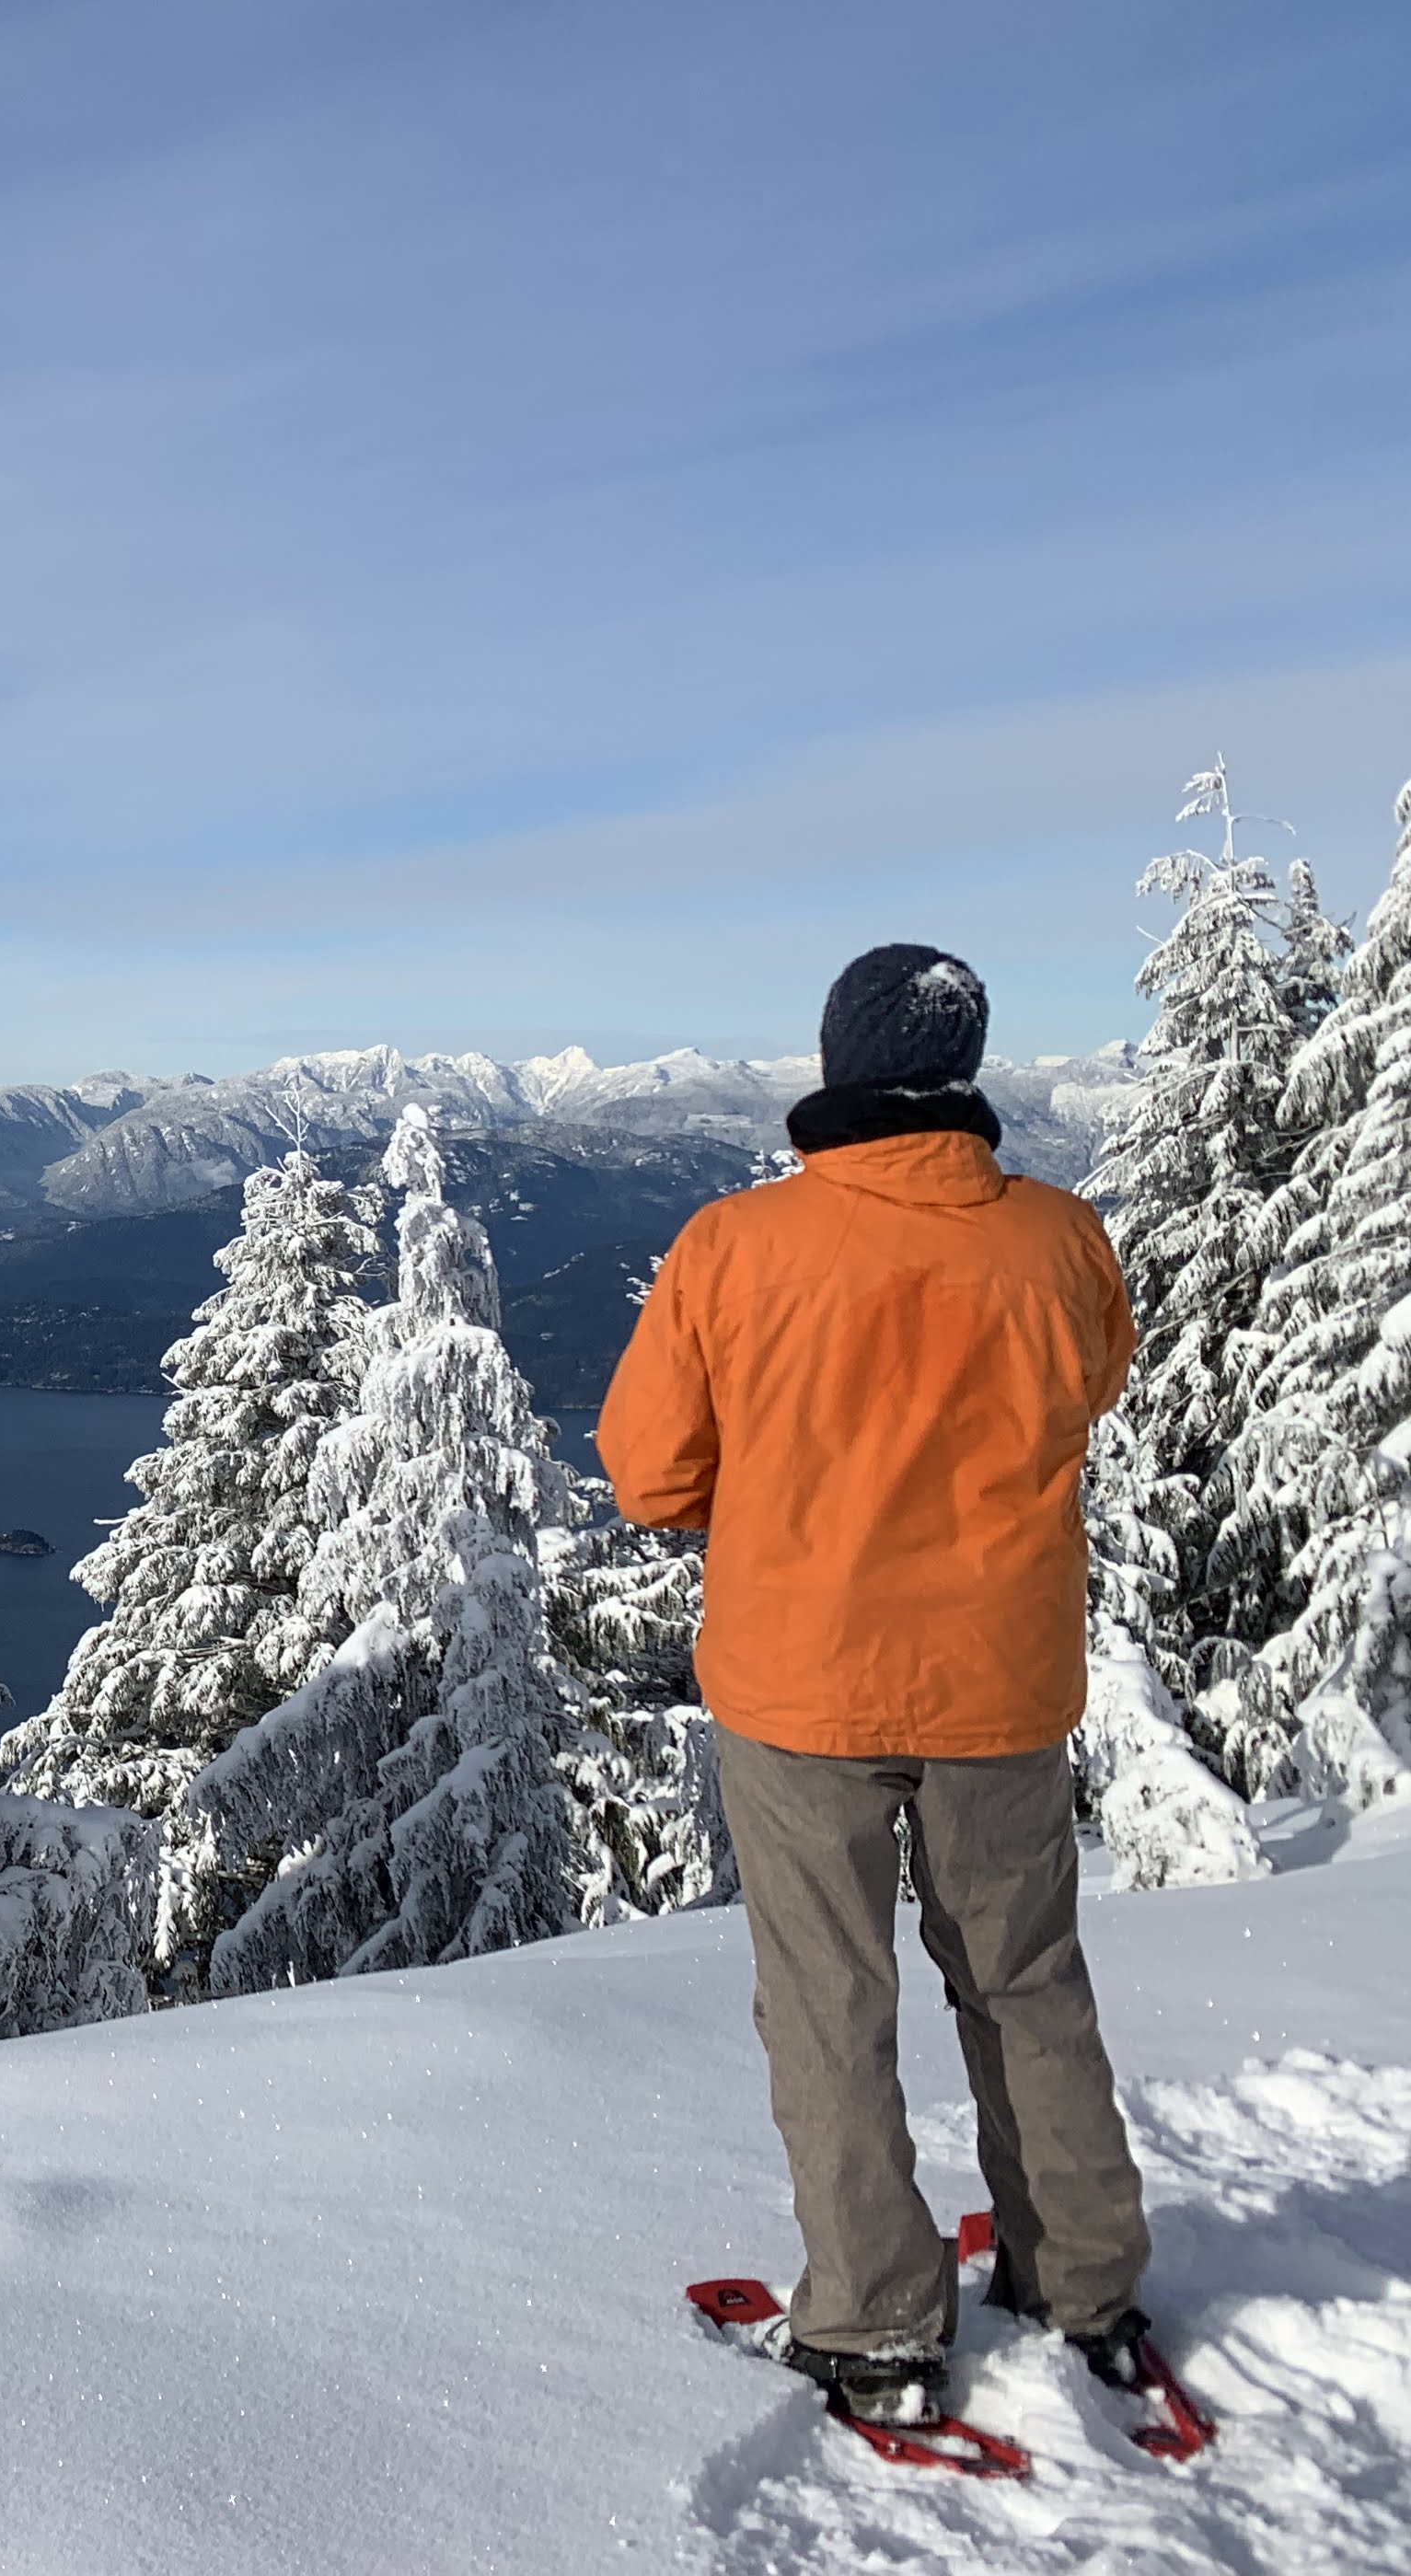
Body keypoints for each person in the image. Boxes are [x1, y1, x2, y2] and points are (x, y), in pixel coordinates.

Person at [598, 943, 1161, 2427]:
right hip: (1001, 1681)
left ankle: (873, 2315)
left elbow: (651, 1475)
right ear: (966, 1065)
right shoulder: (1060, 1236)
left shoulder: (736, 1246)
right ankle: (1083, 2276)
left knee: (829, 2002)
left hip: (802, 1688)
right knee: (1028, 1983)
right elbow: (1090, 1388)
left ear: (838, 1062)